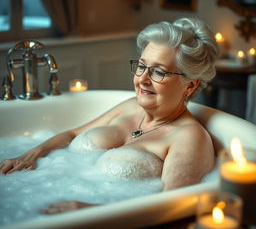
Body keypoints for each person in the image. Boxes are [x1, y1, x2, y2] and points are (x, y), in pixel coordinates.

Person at [0, 17, 219, 214]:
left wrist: (93, 212)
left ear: (190, 85)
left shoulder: (190, 138)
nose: (142, 79)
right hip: (34, 193)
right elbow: (71, 134)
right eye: (141, 66)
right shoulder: (131, 106)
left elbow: (171, 207)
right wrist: (32, 153)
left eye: (159, 72)